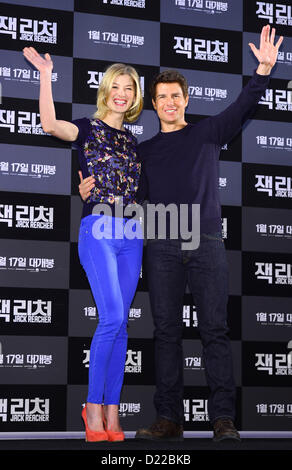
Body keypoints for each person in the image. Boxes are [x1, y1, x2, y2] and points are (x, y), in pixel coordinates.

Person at [78, 25, 283, 442]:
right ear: (152, 104)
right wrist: (89, 191)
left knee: (214, 330)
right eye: (162, 97)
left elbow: (243, 105)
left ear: (185, 100)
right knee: (166, 332)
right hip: (161, 244)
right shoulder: (144, 151)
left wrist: (262, 71)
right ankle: (169, 418)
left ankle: (223, 418)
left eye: (176, 96)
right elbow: (125, 192)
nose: (169, 102)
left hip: (205, 243)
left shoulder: (209, 132)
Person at [23, 47, 144, 442]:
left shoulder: (135, 142)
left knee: (122, 325)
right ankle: (92, 407)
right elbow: (48, 124)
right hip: (99, 232)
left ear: (135, 96)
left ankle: (113, 411)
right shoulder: (87, 129)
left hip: (132, 235)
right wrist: (45, 74)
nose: (122, 93)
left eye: (129, 88)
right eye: (116, 86)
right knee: (111, 318)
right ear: (105, 91)